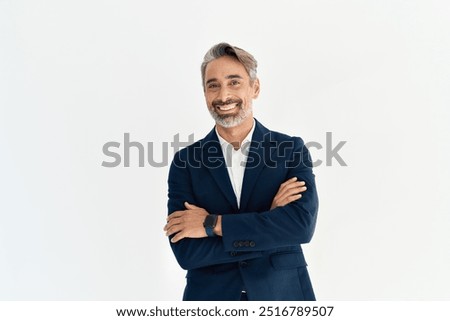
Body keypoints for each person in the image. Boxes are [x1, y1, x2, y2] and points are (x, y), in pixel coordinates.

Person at [164, 43, 319, 301]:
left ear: (254, 88)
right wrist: (269, 220)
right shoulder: (185, 162)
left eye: (234, 82)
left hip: (283, 296)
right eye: (213, 85)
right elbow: (187, 252)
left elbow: (300, 228)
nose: (223, 95)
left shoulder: (289, 149)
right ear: (204, 93)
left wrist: (211, 224)